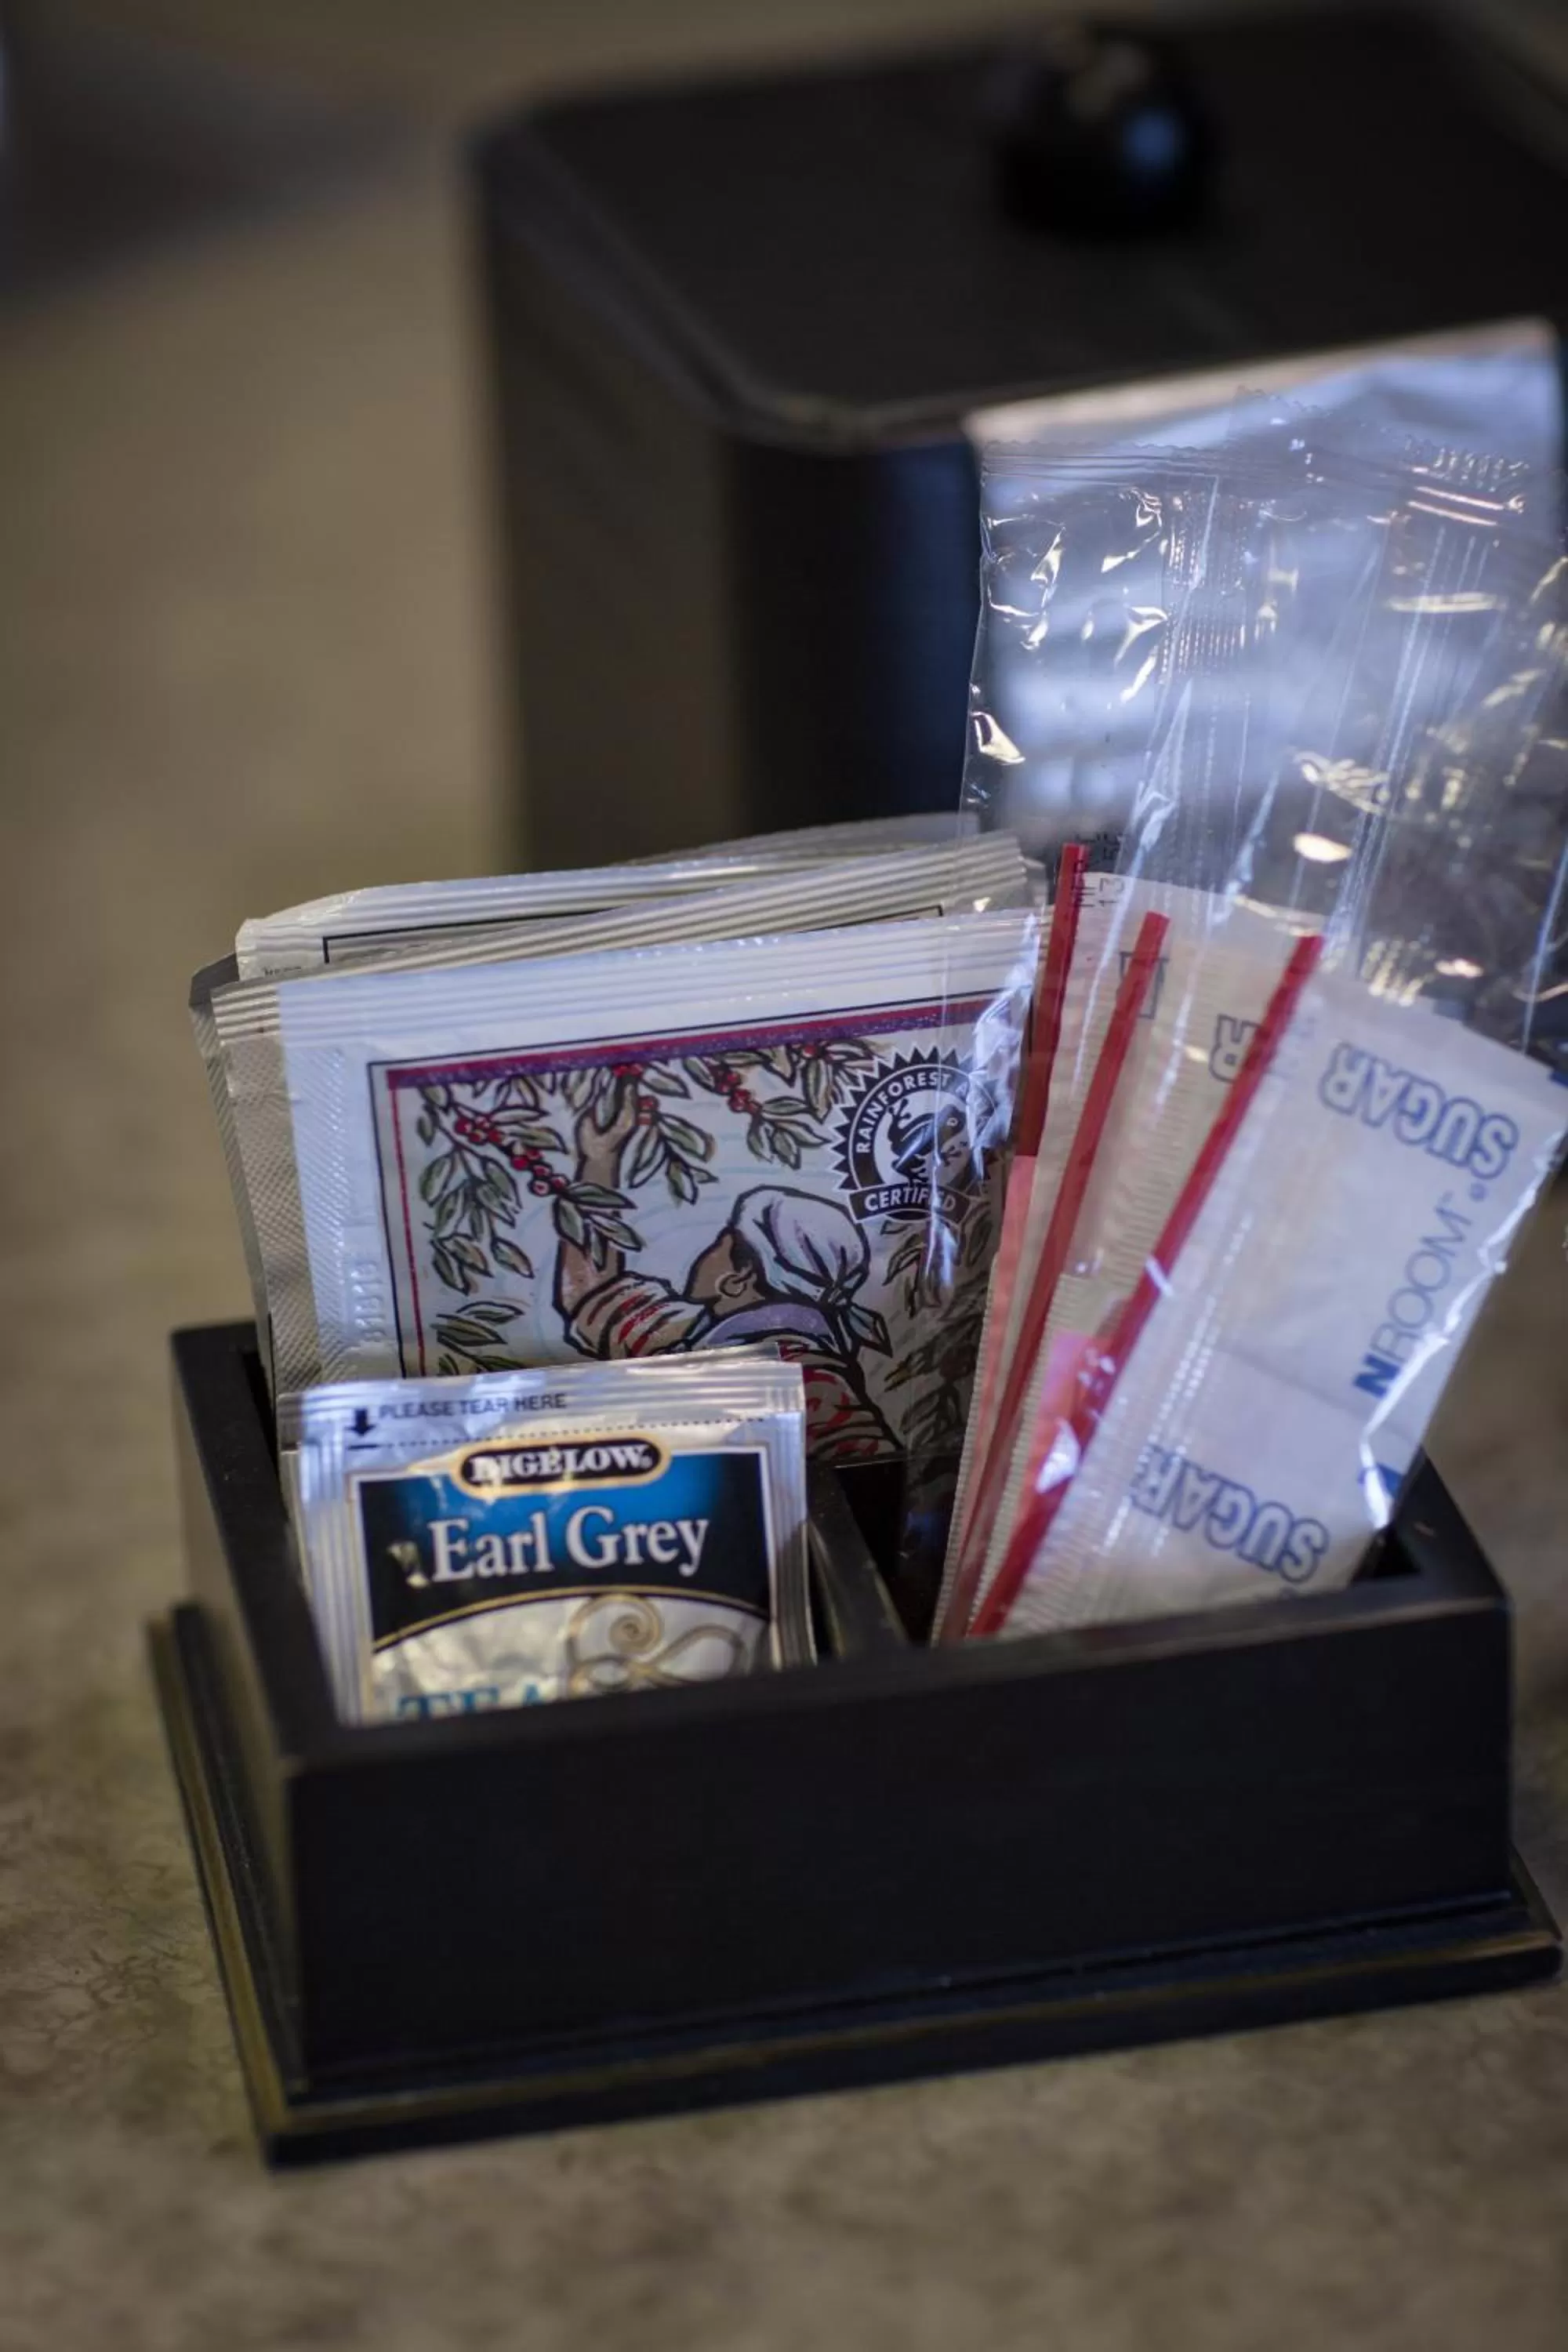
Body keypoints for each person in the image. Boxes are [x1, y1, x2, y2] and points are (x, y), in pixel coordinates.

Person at [554, 1083, 896, 1462]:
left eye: (722, 1240)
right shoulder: (685, 1333)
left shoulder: (811, 1385)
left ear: (738, 1279)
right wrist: (600, 1158)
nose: (708, 1250)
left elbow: (866, 1473)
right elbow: (590, 1291)